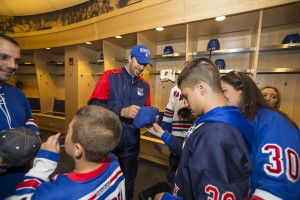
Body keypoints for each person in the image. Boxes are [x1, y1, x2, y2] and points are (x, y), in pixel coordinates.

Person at [147, 58, 254, 199]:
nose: (184, 102)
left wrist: (165, 198)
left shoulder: (218, 133)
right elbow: (192, 152)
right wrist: (163, 134)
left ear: (201, 87)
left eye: (185, 95)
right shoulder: (213, 120)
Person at [9, 105, 125, 199]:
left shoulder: (58, 193)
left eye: (69, 131)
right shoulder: (114, 162)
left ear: (77, 150)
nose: (66, 133)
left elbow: (23, 197)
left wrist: (45, 161)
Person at [221, 71, 300, 199]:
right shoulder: (240, 121)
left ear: (242, 90)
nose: (219, 96)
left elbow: (280, 186)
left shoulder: (272, 121)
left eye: (223, 90)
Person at [88, 44, 152, 200]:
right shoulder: (110, 76)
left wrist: (148, 120)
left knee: (128, 184)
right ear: (129, 58)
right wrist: (121, 111)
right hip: (108, 142)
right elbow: (93, 106)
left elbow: (146, 111)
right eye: (139, 62)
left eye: (145, 64)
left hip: (131, 146)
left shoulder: (145, 86)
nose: (142, 67)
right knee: (104, 185)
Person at [0, 33, 39, 199]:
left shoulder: (17, 93)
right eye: (4, 57)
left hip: (20, 182)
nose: (12, 65)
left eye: (16, 61)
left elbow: (29, 118)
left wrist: (33, 135)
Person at [161, 85, 194, 187]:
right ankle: (174, 185)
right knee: (178, 162)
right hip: (183, 133)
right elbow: (169, 110)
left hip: (187, 133)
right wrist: (163, 130)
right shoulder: (176, 89)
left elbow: (169, 110)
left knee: (180, 163)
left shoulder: (177, 88)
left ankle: (176, 187)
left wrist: (164, 129)